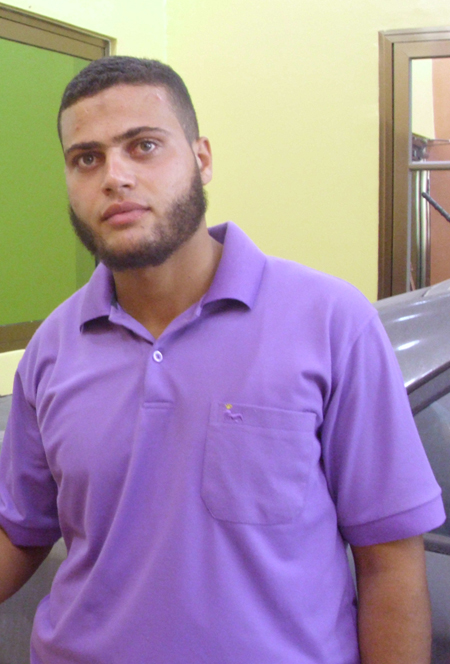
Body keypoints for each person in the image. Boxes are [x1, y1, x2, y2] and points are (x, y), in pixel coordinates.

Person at [0, 56, 444, 664]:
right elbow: (21, 531)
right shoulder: (53, 346)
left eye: (144, 146)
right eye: (87, 158)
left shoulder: (331, 322)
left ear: (201, 158)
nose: (115, 177)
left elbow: (389, 560)